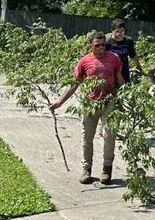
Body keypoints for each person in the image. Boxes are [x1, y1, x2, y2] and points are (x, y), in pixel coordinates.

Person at [50, 31, 124, 185]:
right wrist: (60, 102)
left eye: (104, 44)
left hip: (109, 100)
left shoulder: (114, 58)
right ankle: (86, 169)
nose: (101, 48)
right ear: (90, 45)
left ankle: (106, 169)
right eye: (98, 45)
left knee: (110, 135)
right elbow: (75, 83)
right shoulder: (84, 61)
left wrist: (128, 96)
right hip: (90, 103)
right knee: (87, 137)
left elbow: (119, 80)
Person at [106, 18, 139, 84]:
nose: (120, 33)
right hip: (111, 71)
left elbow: (133, 55)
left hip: (124, 71)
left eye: (122, 31)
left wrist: (139, 67)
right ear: (112, 31)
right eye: (117, 31)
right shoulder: (107, 42)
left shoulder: (128, 41)